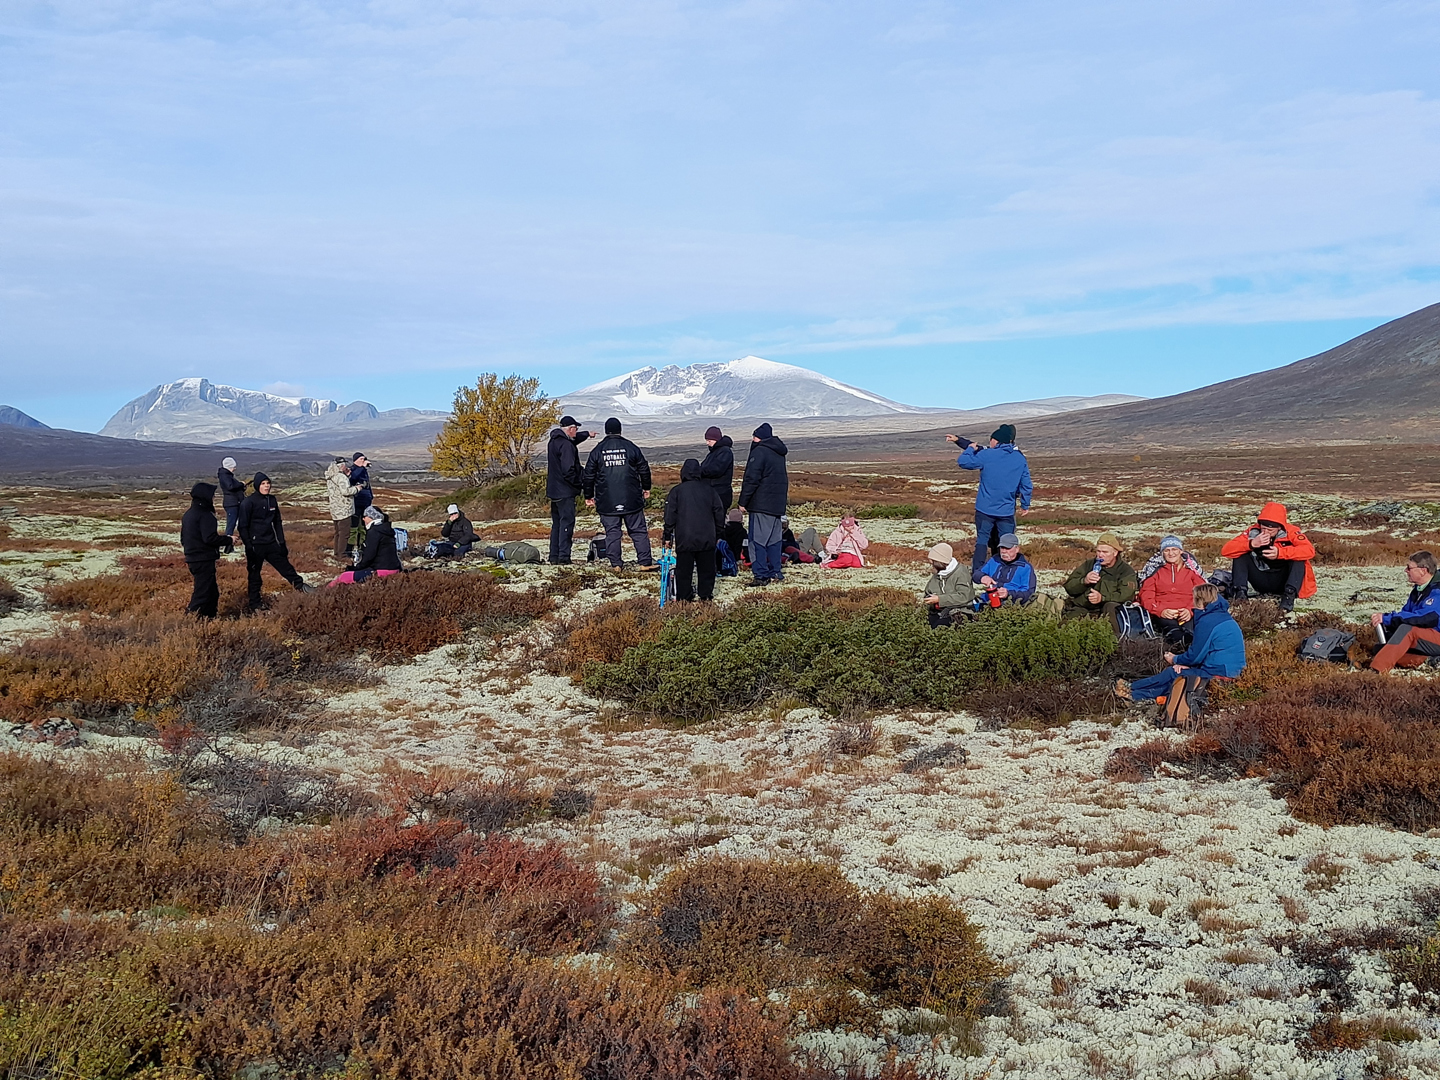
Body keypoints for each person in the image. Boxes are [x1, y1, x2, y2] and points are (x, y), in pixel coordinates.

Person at [1115, 584, 1246, 710]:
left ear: (1199, 601)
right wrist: (1188, 666)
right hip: (1227, 671)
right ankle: (1133, 691)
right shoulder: (1222, 616)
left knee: (1174, 674)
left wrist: (1175, 659)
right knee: (1178, 676)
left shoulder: (1208, 621)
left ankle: (1132, 690)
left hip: (1219, 673)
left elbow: (1195, 655)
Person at [947, 424, 1033, 578]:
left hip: (985, 509)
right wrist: (1025, 504)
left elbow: (964, 461)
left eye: (991, 440)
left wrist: (969, 449)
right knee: (1006, 542)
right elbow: (1026, 484)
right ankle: (1004, 572)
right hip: (1006, 510)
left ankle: (977, 573)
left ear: (996, 440)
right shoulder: (1019, 458)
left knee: (982, 540)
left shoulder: (987, 455)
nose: (989, 442)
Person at [583, 418, 657, 571]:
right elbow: (644, 469)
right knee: (638, 531)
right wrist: (646, 488)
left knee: (612, 533)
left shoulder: (598, 450)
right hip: (632, 498)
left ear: (606, 431)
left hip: (607, 500)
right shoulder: (631, 447)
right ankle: (645, 563)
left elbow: (589, 475)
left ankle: (616, 564)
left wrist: (588, 496)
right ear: (620, 430)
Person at [1219, 502, 1316, 612]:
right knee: (1239, 553)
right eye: (1263, 528)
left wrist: (1280, 553)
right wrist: (1251, 544)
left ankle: (1288, 598)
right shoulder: (1252, 531)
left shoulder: (1292, 532)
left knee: (1298, 559)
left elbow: (1309, 551)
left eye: (1270, 530)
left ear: (1279, 527)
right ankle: (1240, 595)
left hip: (1283, 580)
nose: (1265, 532)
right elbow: (1226, 550)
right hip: (1261, 579)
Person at [236, 472, 311, 608]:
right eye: (263, 484)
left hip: (270, 542)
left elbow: (277, 522)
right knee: (254, 576)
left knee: (286, 568)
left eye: (268, 483)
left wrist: (281, 543)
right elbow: (242, 526)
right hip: (255, 545)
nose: (266, 486)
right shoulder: (248, 503)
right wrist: (249, 545)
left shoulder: (272, 500)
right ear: (257, 485)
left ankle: (302, 588)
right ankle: (255, 604)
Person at [662, 458, 726, 602]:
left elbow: (670, 515)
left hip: (685, 537)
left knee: (684, 570)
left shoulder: (676, 491)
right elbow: (719, 512)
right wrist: (718, 532)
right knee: (707, 569)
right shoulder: (710, 490)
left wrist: (667, 535)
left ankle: (684, 598)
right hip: (707, 537)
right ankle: (705, 595)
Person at [1369, 551, 1440, 672]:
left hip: (1435, 634)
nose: (1405, 571)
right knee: (1381, 649)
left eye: (1409, 568)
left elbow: (1427, 618)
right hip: (1428, 637)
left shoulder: (1437, 591)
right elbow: (1407, 614)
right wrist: (1389, 626)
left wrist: (1387, 618)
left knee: (1407, 631)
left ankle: (1376, 670)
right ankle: (1428, 661)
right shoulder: (1418, 590)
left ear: (1423, 570)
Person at [738, 422, 789, 587]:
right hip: (777, 506)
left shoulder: (759, 452)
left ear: (759, 438)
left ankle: (760, 575)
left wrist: (743, 501)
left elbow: (751, 479)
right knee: (774, 541)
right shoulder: (779, 453)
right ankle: (775, 571)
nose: (752, 440)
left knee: (757, 541)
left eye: (754, 437)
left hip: (761, 504)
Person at [1138, 535, 1207, 648]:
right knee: (1174, 633)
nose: (1171, 553)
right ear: (1162, 553)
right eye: (1167, 550)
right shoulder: (1153, 571)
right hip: (1163, 613)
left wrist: (1190, 610)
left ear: (1181, 551)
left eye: (1174, 549)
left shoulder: (1192, 570)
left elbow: (1203, 594)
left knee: (1194, 631)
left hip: (1188, 612)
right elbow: (1146, 596)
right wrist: (1161, 611)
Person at [1062, 532, 1138, 632]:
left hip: (1109, 610)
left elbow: (1126, 596)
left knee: (1110, 607)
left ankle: (1114, 639)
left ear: (1115, 553)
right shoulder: (1089, 565)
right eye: (1098, 551)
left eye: (1105, 552)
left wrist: (1102, 598)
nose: (1100, 555)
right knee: (1064, 627)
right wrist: (1084, 581)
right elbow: (1069, 587)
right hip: (1084, 607)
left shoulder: (1125, 571)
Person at [181, 481, 233, 618]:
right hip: (203, 559)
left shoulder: (189, 514)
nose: (213, 497)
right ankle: (189, 620)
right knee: (202, 594)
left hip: (193, 558)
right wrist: (229, 540)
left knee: (211, 593)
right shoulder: (205, 515)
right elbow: (209, 538)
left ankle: (209, 619)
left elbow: (183, 539)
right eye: (212, 495)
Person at [546, 415, 591, 564]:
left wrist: (587, 434)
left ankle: (554, 556)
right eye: (575, 429)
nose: (576, 432)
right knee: (567, 524)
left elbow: (573, 441)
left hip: (554, 491)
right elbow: (568, 470)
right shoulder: (566, 446)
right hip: (565, 491)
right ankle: (564, 557)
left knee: (557, 524)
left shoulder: (554, 441)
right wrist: (579, 483)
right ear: (570, 429)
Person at [330, 505, 403, 585]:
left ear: (370, 517)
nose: (363, 519)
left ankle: (327, 590)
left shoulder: (374, 532)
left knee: (344, 577)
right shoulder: (386, 530)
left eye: (365, 516)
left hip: (381, 571)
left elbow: (368, 557)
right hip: (394, 569)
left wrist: (355, 568)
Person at [973, 533, 1037, 606]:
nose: (1004, 551)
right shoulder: (994, 560)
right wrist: (982, 577)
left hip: (1011, 605)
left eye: (1007, 548)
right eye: (1002, 548)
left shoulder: (1025, 568)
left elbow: (1029, 594)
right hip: (988, 600)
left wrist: (1008, 594)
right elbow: (976, 574)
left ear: (1017, 549)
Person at [922, 543, 975, 628]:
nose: (930, 563)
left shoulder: (961, 573)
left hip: (962, 611)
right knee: (922, 627)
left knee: (938, 628)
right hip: (939, 611)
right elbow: (928, 591)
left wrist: (940, 599)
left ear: (939, 561)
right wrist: (930, 599)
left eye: (932, 561)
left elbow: (964, 597)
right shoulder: (938, 573)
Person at [325, 458, 362, 561]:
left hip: (335, 508)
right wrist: (357, 488)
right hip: (344, 509)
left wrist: (347, 476)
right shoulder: (341, 477)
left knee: (338, 532)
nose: (346, 466)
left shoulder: (331, 476)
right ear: (341, 466)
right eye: (345, 464)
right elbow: (345, 491)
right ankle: (342, 555)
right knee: (344, 533)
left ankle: (337, 552)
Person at [699, 426, 735, 509]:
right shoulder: (714, 452)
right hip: (713, 493)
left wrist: (698, 471)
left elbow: (716, 470)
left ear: (716, 440)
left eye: (709, 440)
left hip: (720, 494)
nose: (707, 443)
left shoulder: (725, 451)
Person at [217, 456, 246, 539]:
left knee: (237, 522)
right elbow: (230, 487)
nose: (234, 468)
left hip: (234, 502)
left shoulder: (226, 476)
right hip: (232, 503)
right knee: (231, 523)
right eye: (233, 466)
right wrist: (241, 484)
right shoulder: (225, 476)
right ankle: (228, 540)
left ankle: (237, 538)